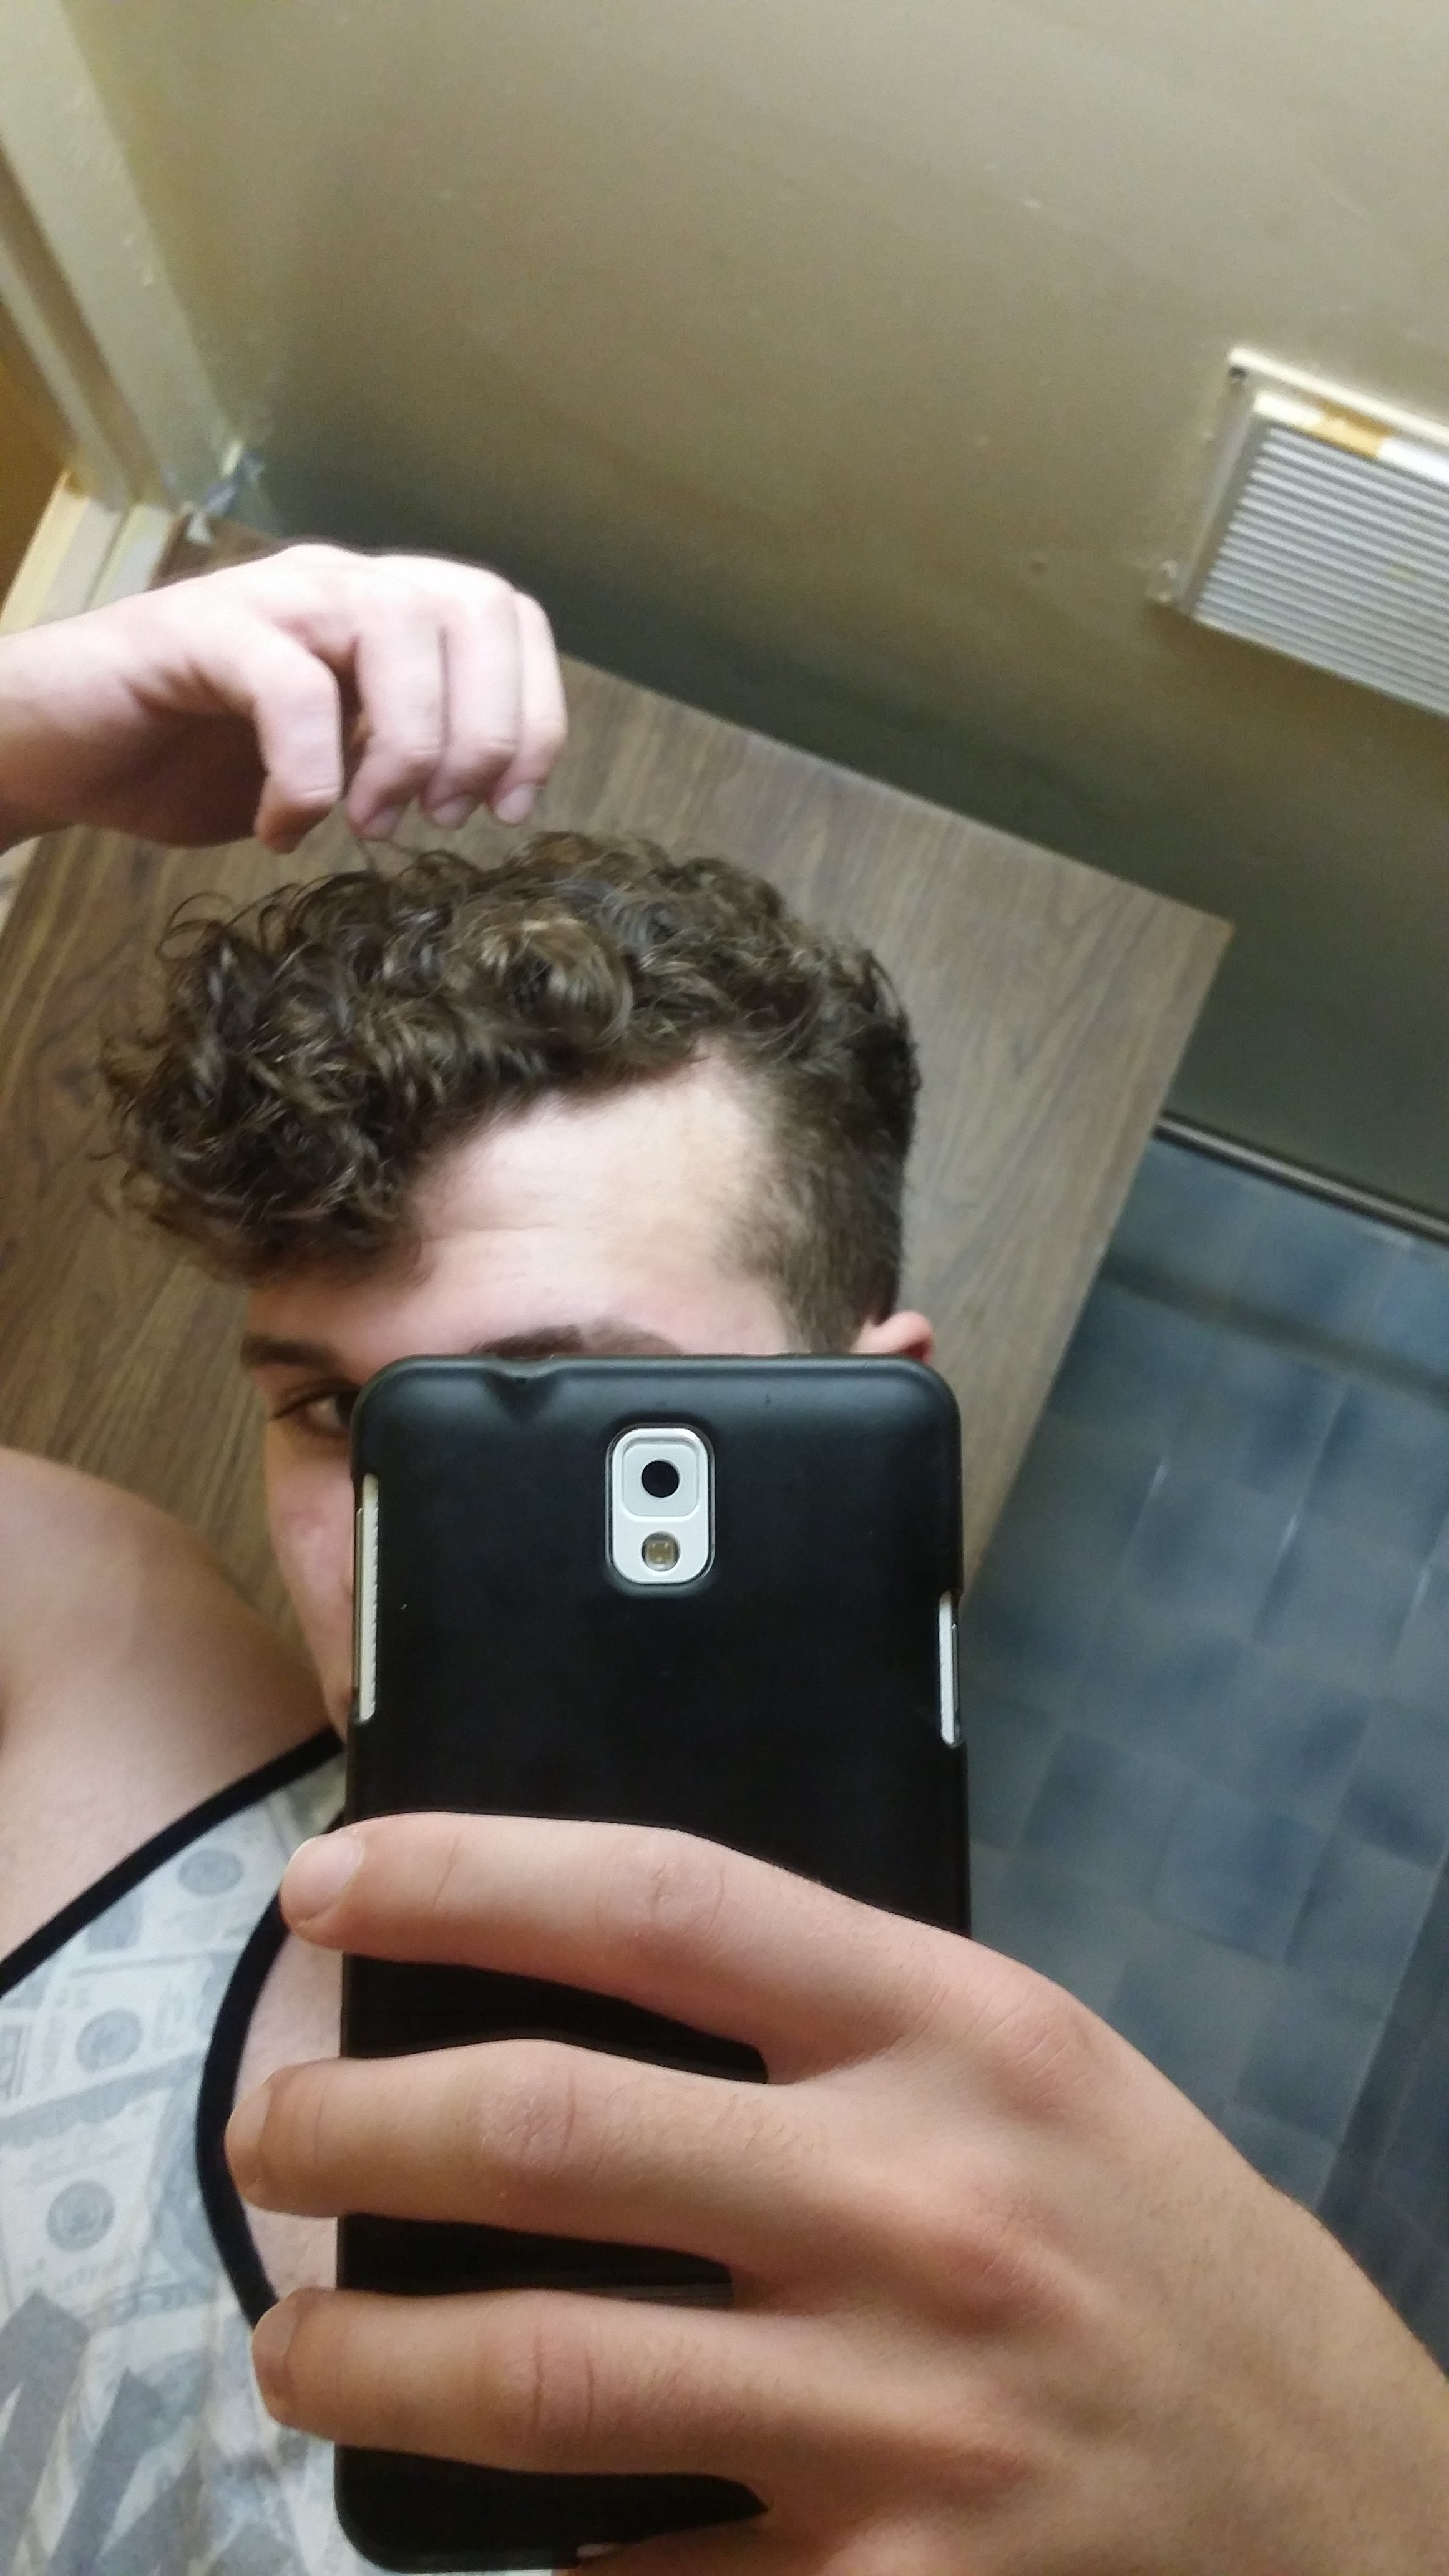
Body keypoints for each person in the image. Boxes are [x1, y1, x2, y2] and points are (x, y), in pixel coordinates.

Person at [0, 548, 1446, 2576]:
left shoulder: (1041, 2283)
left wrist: (1384, 2514)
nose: (394, 1548)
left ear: (865, 1430)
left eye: (553, 1420)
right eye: (331, 1415)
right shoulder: (89, 1684)